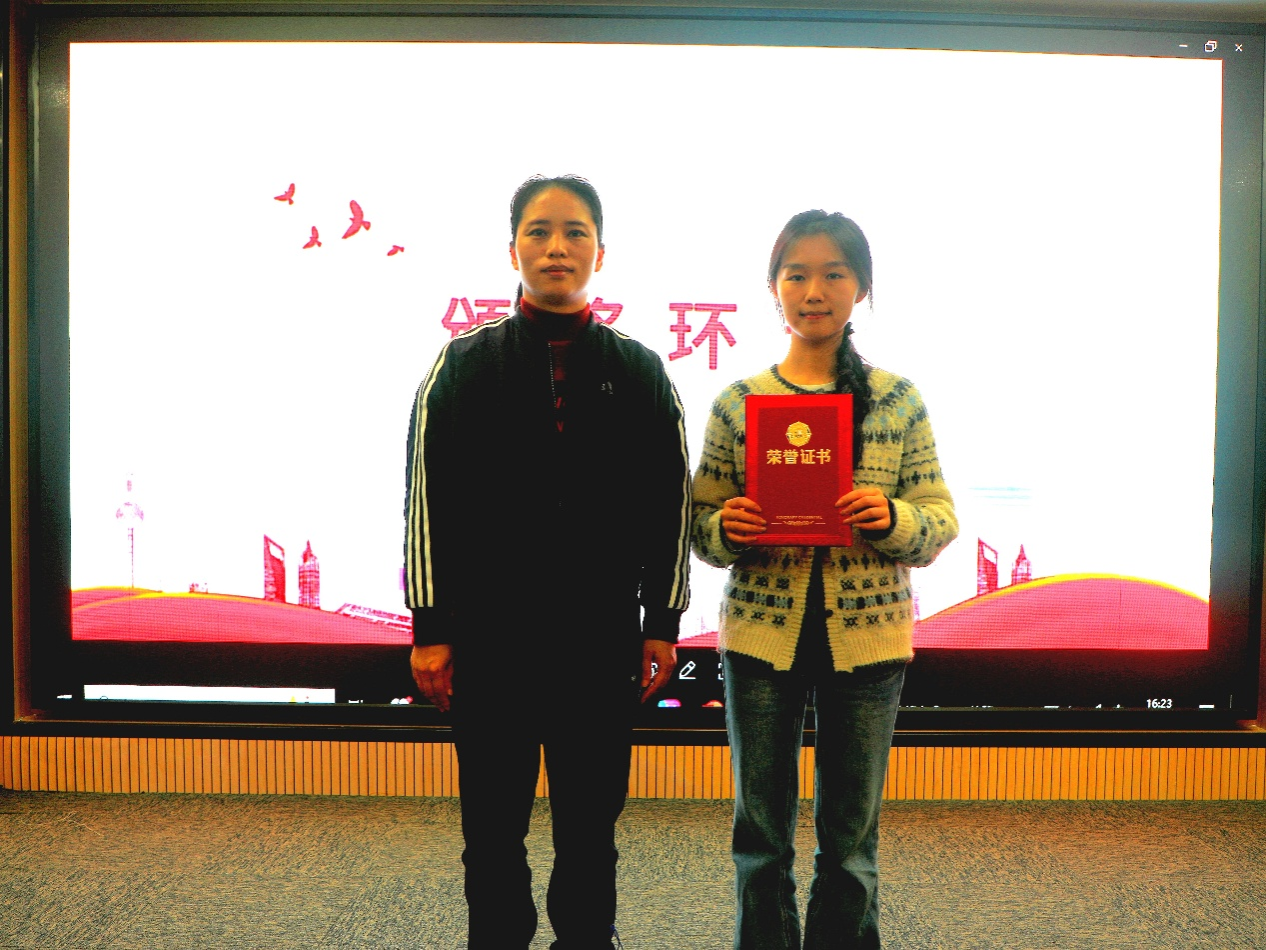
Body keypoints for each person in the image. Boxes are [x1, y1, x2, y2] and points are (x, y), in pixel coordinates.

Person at [403, 174, 691, 950]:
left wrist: (662, 622)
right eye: (538, 231)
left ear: (601, 252)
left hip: (598, 642)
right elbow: (427, 505)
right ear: (513, 251)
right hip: (489, 641)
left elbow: (670, 507)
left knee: (590, 831)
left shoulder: (641, 371)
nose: (556, 247)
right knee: (492, 831)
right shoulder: (461, 365)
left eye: (574, 232)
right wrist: (430, 628)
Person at [690, 210, 958, 949]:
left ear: (861, 287)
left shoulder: (897, 399)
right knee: (760, 838)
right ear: (773, 288)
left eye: (834, 274)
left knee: (850, 843)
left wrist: (891, 518)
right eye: (797, 274)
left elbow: (938, 520)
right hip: (760, 637)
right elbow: (699, 527)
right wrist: (727, 528)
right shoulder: (740, 403)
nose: (814, 290)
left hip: (867, 640)